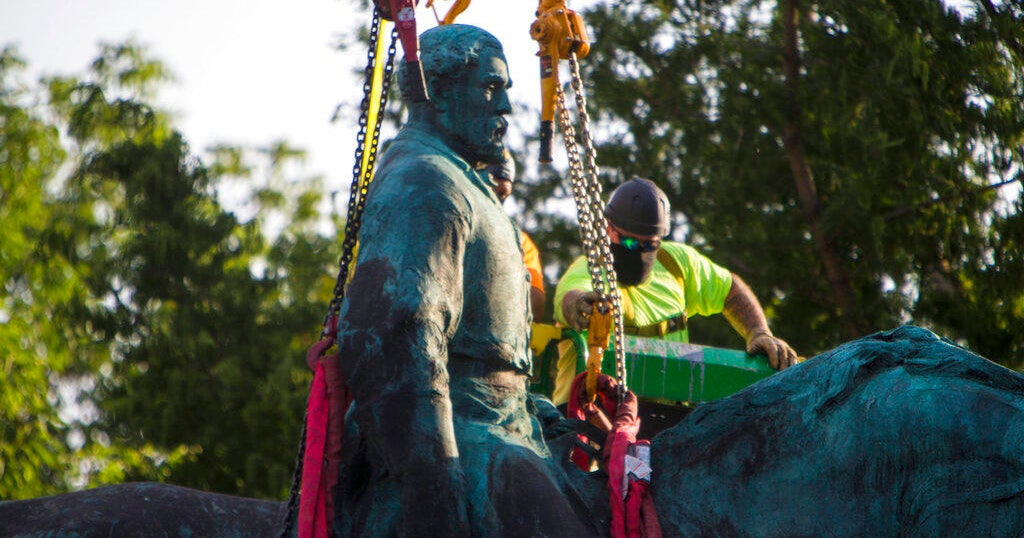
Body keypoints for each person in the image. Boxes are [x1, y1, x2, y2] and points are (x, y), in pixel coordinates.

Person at [333, 24, 604, 537]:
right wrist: (436, 486)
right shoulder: (428, 180)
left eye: (507, 91)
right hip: (463, 446)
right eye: (490, 87)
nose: (505, 108)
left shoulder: (461, 181)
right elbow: (398, 335)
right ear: (435, 91)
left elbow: (486, 355)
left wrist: (543, 416)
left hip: (507, 430)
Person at [552, 178, 798, 405]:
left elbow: (730, 289)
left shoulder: (676, 264)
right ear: (608, 230)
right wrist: (577, 305)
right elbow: (569, 296)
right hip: (590, 419)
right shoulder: (589, 271)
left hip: (668, 421)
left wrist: (758, 332)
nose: (640, 251)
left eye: (650, 244)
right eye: (629, 243)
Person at [485, 150, 546, 319]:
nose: (495, 197)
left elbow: (536, 303)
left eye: (502, 193)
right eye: (489, 187)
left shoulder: (519, 241)